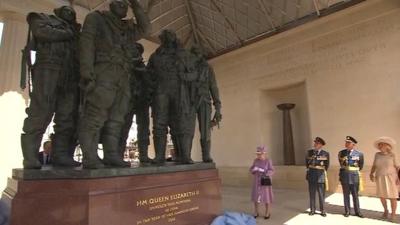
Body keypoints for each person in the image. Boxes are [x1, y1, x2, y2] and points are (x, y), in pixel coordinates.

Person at [78, 0, 151, 169]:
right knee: (95, 114)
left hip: (123, 75)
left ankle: (111, 154)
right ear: (110, 5)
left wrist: (136, 5)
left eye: (126, 5)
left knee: (117, 118)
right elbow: (86, 43)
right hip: (104, 71)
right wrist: (86, 71)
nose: (123, 6)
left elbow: (146, 29)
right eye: (119, 3)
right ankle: (90, 156)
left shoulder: (127, 28)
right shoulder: (96, 18)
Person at [20, 6, 81, 169]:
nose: (71, 14)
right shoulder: (41, 18)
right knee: (41, 112)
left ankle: (61, 155)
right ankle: (30, 157)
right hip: (49, 69)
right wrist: (67, 33)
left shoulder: (77, 32)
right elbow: (41, 32)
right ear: (58, 12)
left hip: (71, 76)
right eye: (67, 10)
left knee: (66, 117)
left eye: (73, 13)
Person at [190, 45, 222, 163]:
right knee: (188, 129)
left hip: (204, 100)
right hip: (190, 101)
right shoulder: (188, 67)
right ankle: (186, 155)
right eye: (194, 53)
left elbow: (213, 87)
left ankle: (206, 155)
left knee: (205, 130)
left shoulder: (208, 68)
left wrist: (218, 107)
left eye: (198, 53)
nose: (196, 55)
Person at [369, 136, 399, 222]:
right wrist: (371, 173)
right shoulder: (377, 154)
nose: (380, 146)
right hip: (380, 177)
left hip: (391, 177)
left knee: (393, 196)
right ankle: (385, 210)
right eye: (379, 145)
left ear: (387, 145)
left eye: (381, 144)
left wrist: (399, 178)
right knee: (382, 196)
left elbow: (397, 167)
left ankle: (393, 214)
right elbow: (374, 165)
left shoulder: (392, 155)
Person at [338, 136, 364, 218]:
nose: (346, 144)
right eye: (346, 142)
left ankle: (357, 211)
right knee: (346, 195)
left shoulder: (359, 154)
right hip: (345, 176)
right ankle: (347, 211)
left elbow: (361, 166)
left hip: (354, 176)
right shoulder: (341, 153)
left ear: (353, 144)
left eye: (348, 143)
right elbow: (341, 164)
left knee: (355, 195)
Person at [305, 137, 329, 217]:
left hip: (320, 176)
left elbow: (326, 165)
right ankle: (312, 209)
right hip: (311, 175)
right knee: (312, 194)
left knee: (321, 194)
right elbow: (307, 164)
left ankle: (322, 210)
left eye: (317, 143)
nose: (315, 144)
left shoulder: (325, 153)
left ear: (321, 145)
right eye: (315, 143)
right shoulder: (309, 152)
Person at [250, 146, 274, 220]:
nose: (258, 155)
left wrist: (264, 171)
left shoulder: (268, 161)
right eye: (258, 154)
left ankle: (267, 212)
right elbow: (251, 169)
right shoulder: (255, 160)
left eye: (260, 154)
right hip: (257, 181)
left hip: (265, 181)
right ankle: (256, 212)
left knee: (266, 197)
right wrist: (254, 169)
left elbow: (272, 170)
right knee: (256, 197)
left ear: (264, 154)